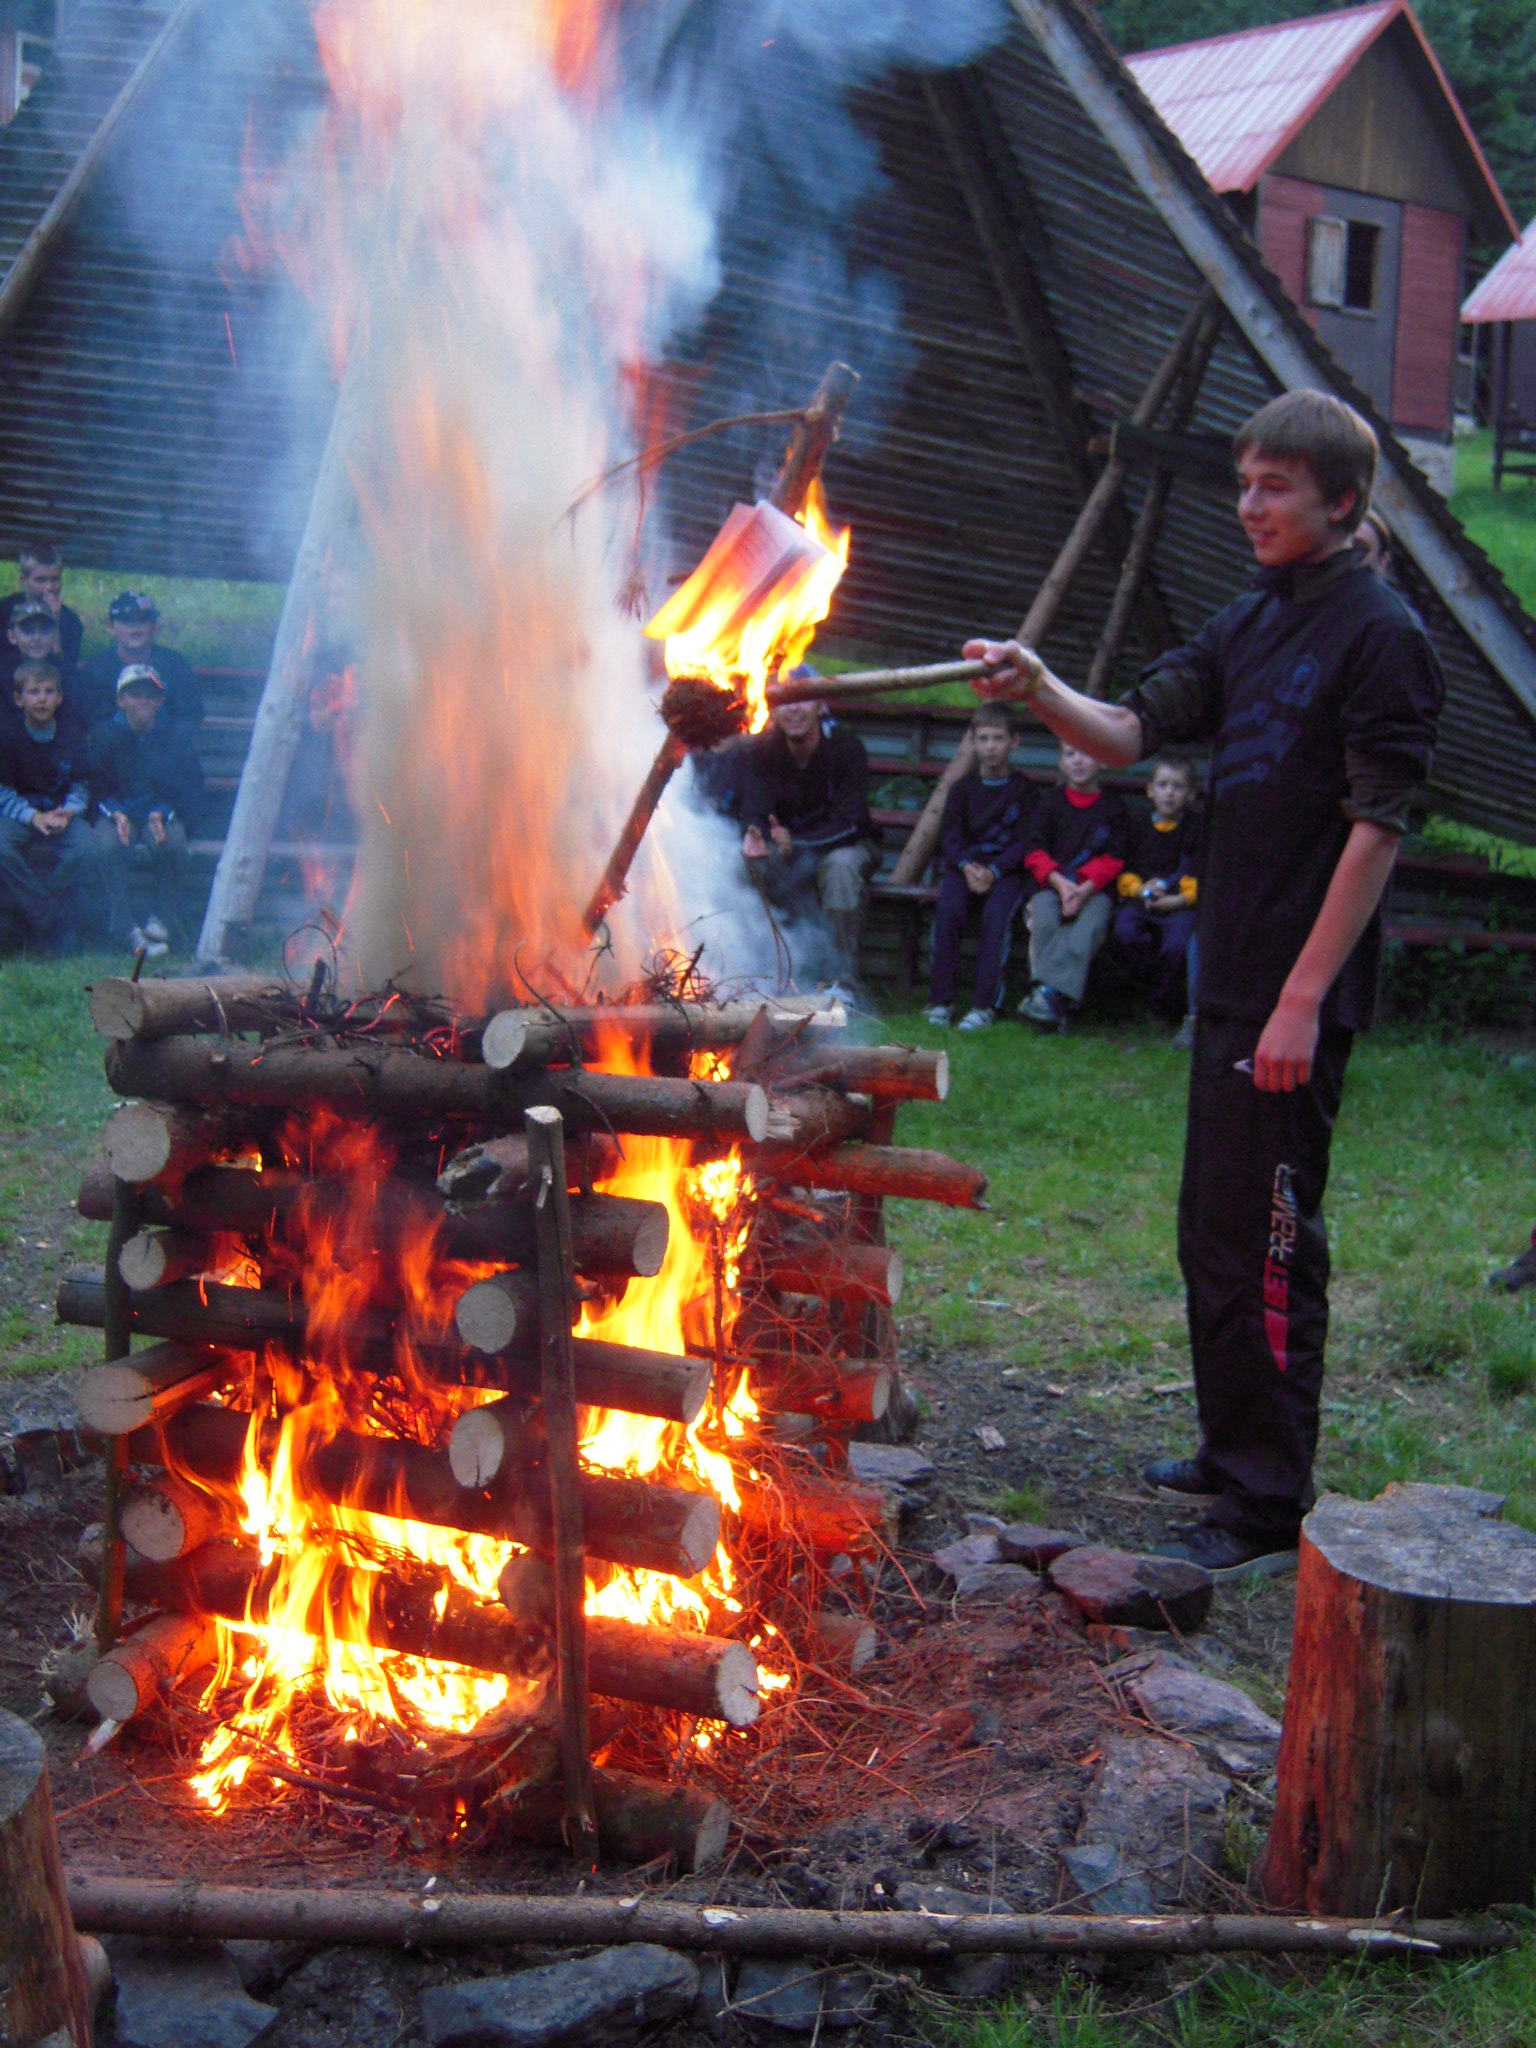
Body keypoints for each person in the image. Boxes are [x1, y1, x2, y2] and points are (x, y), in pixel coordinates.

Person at [963, 389, 1445, 1576]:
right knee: (1213, 1234)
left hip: (1294, 997)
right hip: (1229, 984)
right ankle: (1234, 1449)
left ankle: (1269, 1499)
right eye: (1243, 483)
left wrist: (1302, 1000)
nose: (1249, 506)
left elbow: (1376, 829)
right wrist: (1037, 686)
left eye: (1275, 486)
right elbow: (1129, 731)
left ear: (1342, 499)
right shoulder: (1250, 619)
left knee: (1272, 1241)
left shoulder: (1383, 634)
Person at [739, 689, 875, 987]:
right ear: (773, 712)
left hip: (843, 845)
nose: (794, 709)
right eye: (786, 702)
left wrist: (797, 842)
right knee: (744, 866)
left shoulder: (846, 748)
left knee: (841, 868)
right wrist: (755, 833)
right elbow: (754, 808)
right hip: (788, 849)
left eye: (803, 699)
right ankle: (760, 974)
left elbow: (851, 822)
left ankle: (840, 980)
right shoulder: (765, 750)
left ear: (820, 706)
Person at [925, 702, 1036, 1030]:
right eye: (983, 738)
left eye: (998, 738)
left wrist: (994, 872)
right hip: (966, 869)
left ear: (1014, 741)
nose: (990, 746)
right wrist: (967, 867)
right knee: (949, 911)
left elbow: (1026, 841)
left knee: (996, 918)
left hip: (1006, 873)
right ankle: (941, 1001)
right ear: (972, 742)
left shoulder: (1025, 791)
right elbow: (950, 836)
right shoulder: (962, 790)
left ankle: (984, 1006)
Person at [88, 663, 203, 956]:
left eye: (150, 696)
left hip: (157, 813)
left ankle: (162, 918)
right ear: (121, 700)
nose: (143, 702)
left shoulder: (174, 737)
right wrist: (115, 812)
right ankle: (124, 925)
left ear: (160, 701)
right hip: (117, 812)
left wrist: (163, 812)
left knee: (175, 846)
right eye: (135, 695)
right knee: (107, 846)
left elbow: (187, 785)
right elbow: (95, 784)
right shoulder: (105, 735)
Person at [1016, 741, 1127, 1030]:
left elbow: (1114, 858)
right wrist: (1061, 886)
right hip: (1051, 885)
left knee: (1088, 927)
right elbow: (1034, 851)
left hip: (1094, 890)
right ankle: (1055, 1003)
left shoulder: (1113, 808)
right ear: (1061, 763)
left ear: (1102, 762)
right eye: (1070, 754)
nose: (1078, 761)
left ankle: (1046, 996)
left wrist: (1083, 890)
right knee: (1045, 921)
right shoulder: (1049, 803)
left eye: (1087, 754)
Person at [0, 657, 99, 952]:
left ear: (59, 697)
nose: (42, 699)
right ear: (18, 698)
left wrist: (68, 812)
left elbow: (81, 785)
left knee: (87, 847)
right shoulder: (6, 736)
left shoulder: (72, 735)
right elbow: (1, 790)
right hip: (19, 813)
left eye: (48, 691)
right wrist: (33, 817)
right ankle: (44, 914)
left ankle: (49, 909)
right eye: (33, 692)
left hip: (60, 813)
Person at [1113, 752, 1202, 1041]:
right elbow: (1124, 868)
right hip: (1141, 900)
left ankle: (1162, 1005)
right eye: (1163, 785)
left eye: (1178, 787)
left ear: (1191, 794)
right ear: (1150, 790)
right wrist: (1140, 890)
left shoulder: (1195, 828)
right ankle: (1142, 992)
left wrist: (1179, 900)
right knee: (1125, 932)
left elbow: (1198, 872)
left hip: (1178, 904)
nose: (1169, 793)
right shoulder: (1137, 824)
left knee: (1176, 945)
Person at [77, 592, 204, 732]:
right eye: (126, 620)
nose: (135, 626)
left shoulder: (174, 664)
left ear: (155, 626)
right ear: (111, 627)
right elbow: (91, 717)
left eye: (143, 620)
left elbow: (190, 714)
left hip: (164, 740)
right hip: (114, 742)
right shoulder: (97, 667)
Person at [0, 543, 84, 693]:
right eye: (41, 580)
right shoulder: (4, 611)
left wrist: (55, 619)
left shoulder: (71, 621)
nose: (49, 587)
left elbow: (66, 671)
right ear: (23, 580)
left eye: (55, 579)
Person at [3, 598, 77, 699]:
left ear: (55, 635)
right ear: (12, 636)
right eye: (28, 630)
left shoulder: (66, 674)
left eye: (45, 629)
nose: (37, 637)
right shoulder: (3, 672)